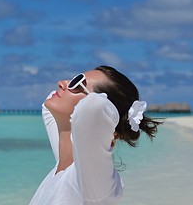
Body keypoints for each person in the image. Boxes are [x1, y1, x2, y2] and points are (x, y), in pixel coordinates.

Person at [29, 65, 162, 205]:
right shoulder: (64, 166)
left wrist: (110, 127)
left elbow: (94, 107)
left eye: (78, 84)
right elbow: (48, 104)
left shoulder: (94, 182)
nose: (61, 83)